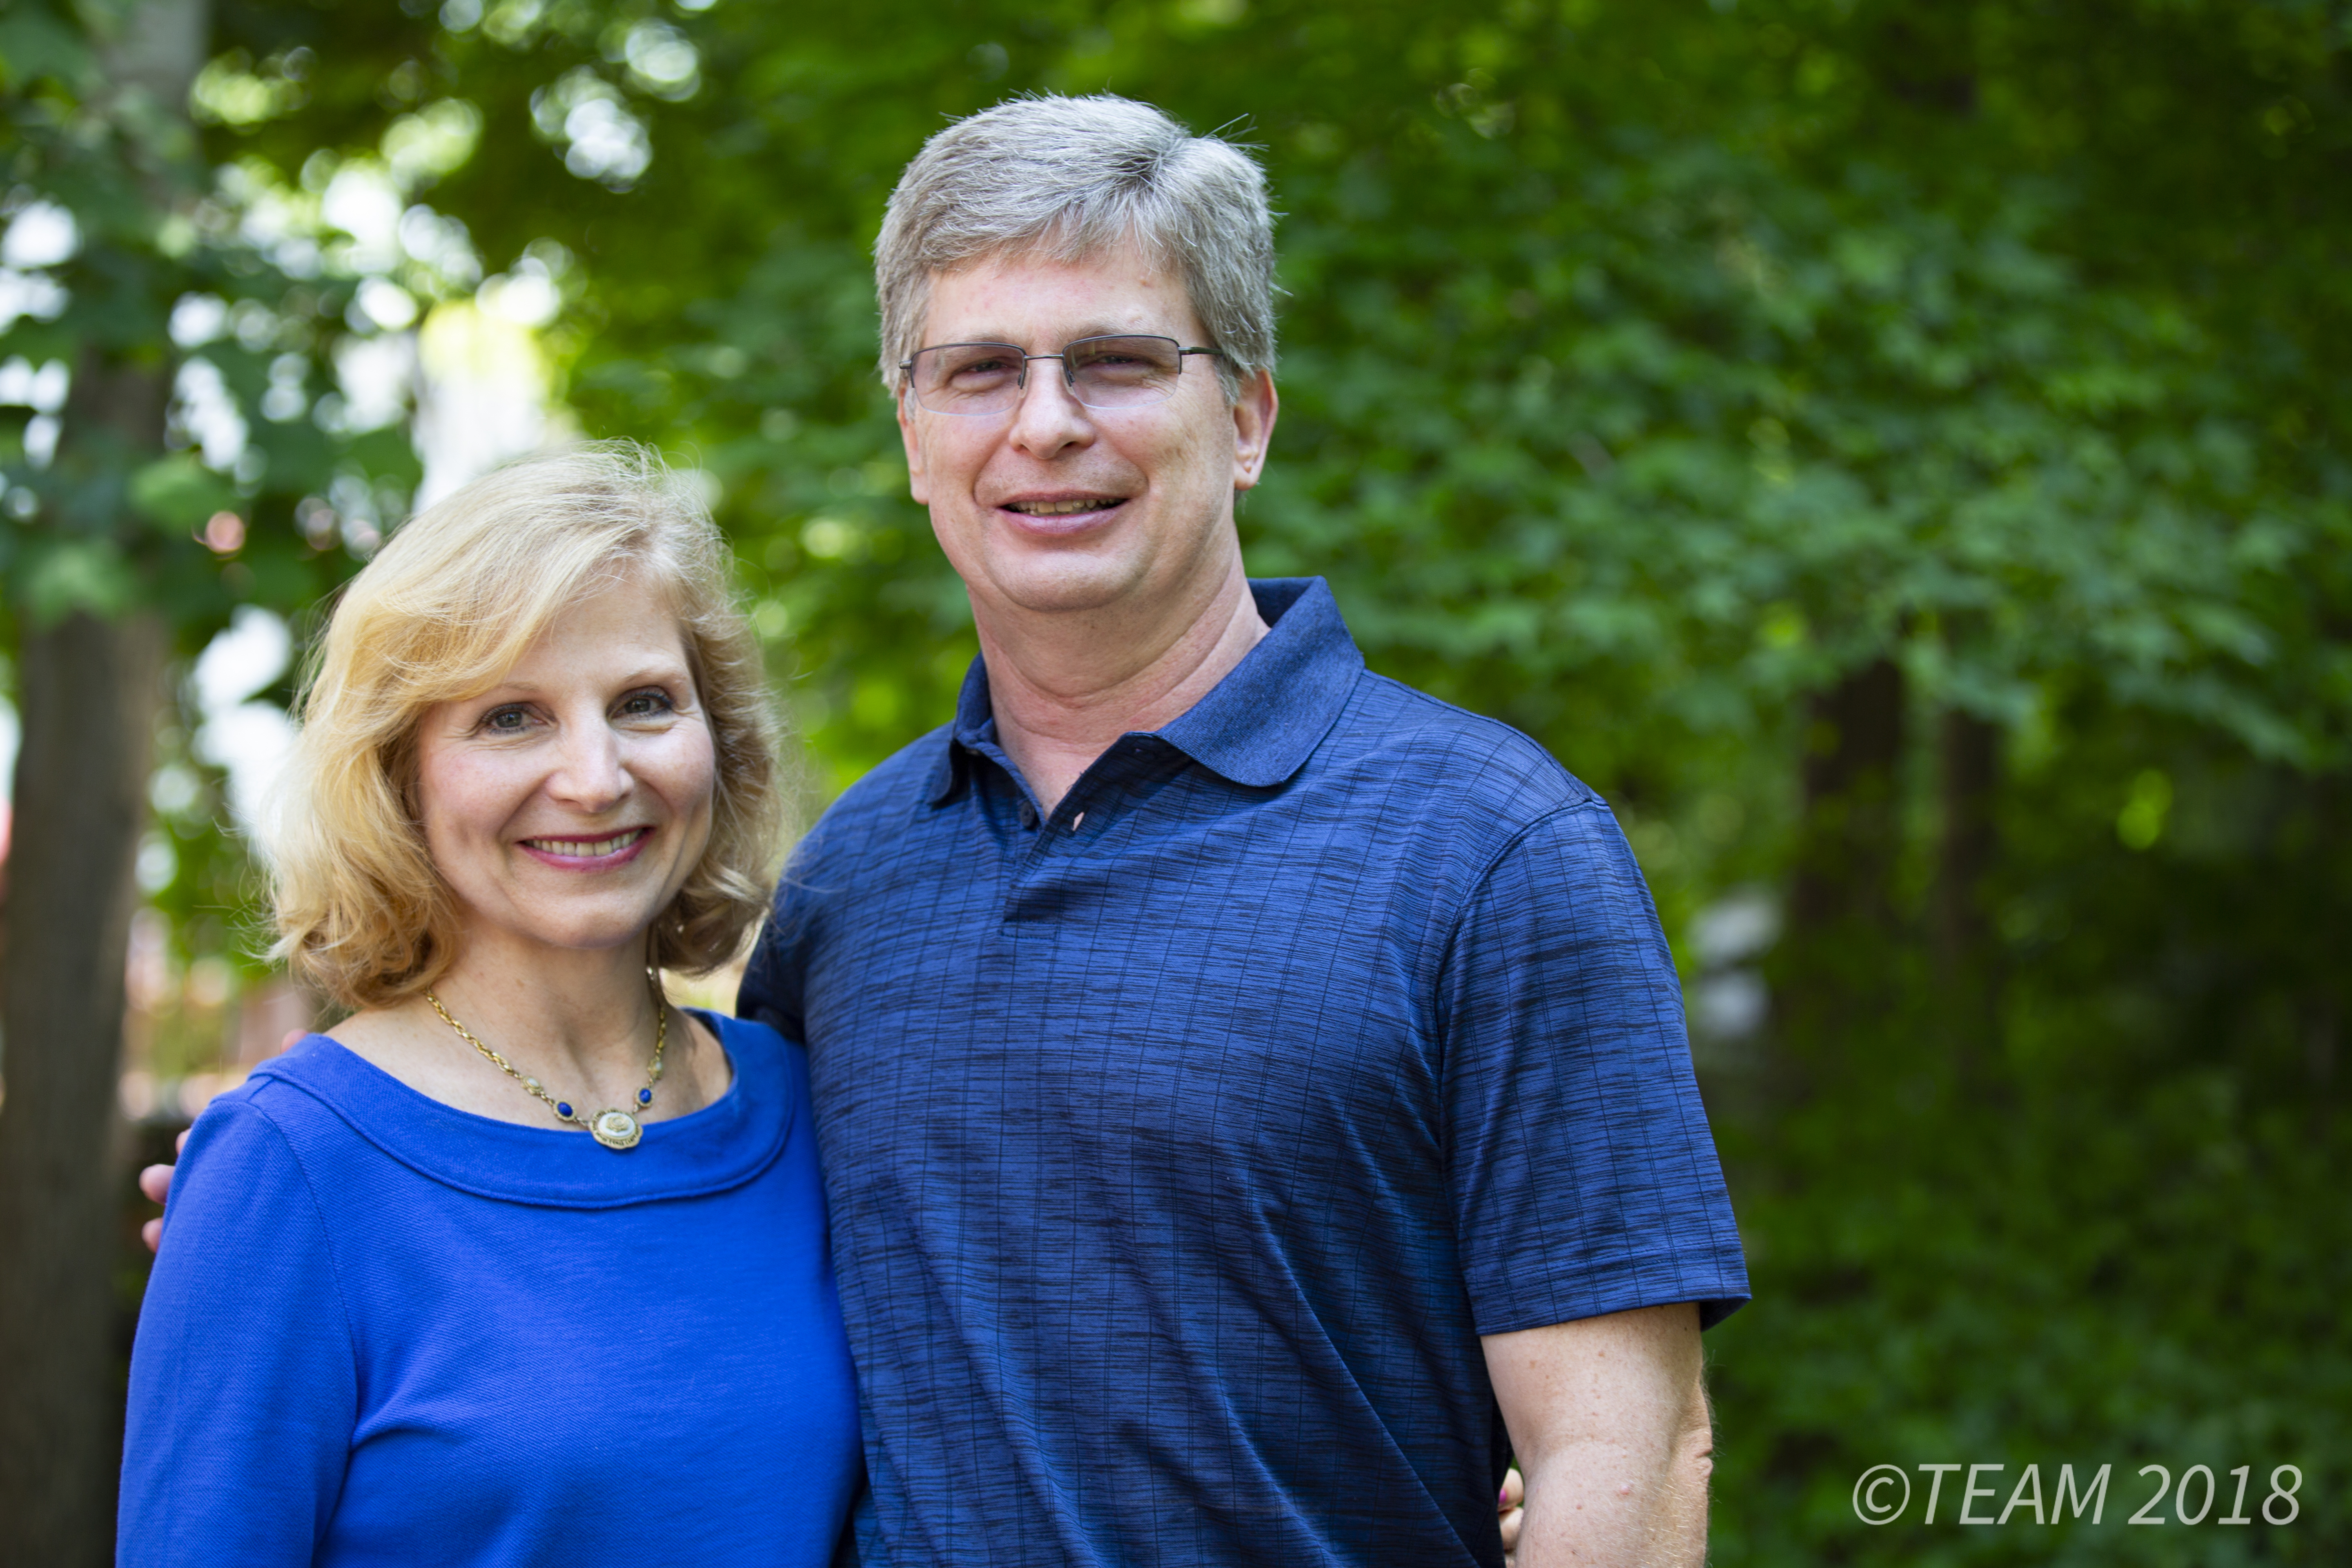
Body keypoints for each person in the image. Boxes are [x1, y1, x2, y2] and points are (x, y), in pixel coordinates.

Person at [737, 94, 1749, 1567]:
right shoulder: (854, 877)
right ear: (912, 437)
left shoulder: (1493, 854)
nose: (1047, 423)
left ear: (1248, 416)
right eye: (978, 372)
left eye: (1118, 360)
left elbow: (1630, 1462)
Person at [119, 446, 862, 1566]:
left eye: (645, 703)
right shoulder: (290, 1164)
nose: (596, 775)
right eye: (512, 718)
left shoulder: (817, 1110)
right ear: (401, 777)